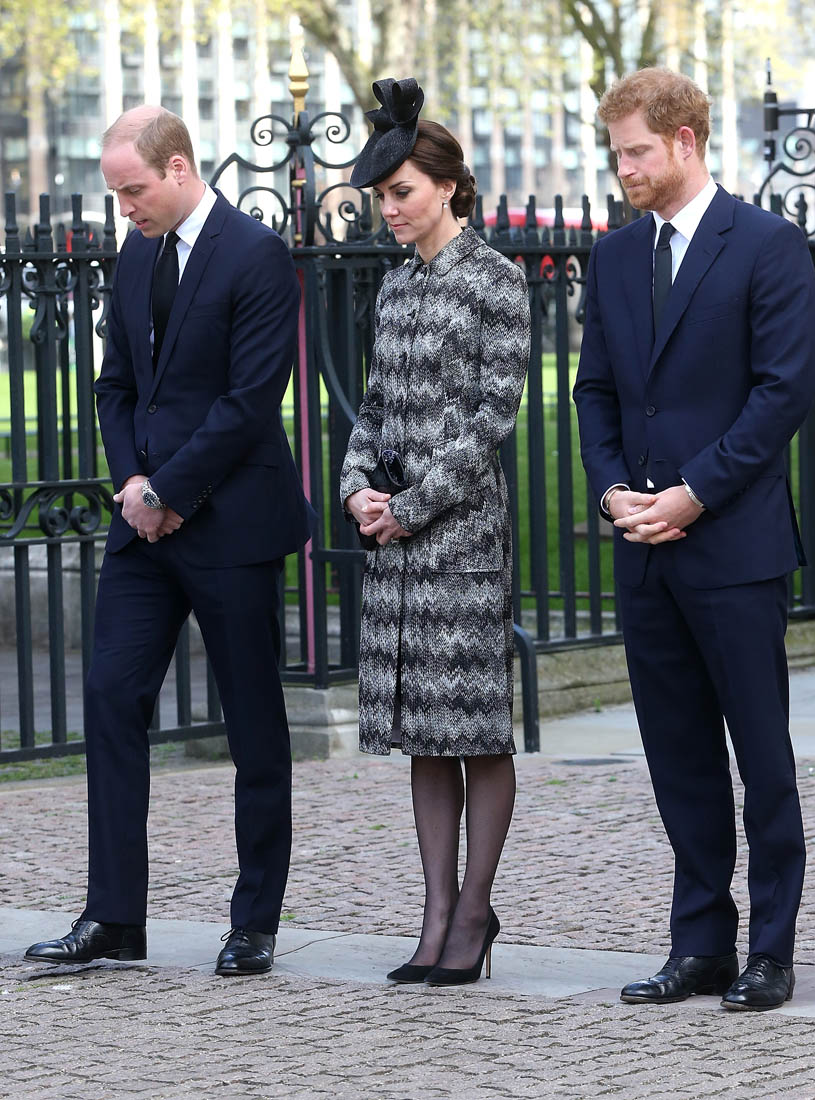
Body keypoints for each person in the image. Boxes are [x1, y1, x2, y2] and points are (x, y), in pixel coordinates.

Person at [25, 106, 314, 976]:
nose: (125, 208)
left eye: (134, 190)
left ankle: (254, 921)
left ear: (179, 168)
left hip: (232, 527)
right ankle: (114, 916)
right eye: (116, 194)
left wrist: (170, 491)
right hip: (143, 531)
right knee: (110, 700)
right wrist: (133, 487)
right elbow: (115, 385)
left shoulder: (256, 255)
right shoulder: (137, 252)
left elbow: (249, 401)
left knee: (253, 724)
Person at [574, 69, 815, 1011]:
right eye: (616, 154)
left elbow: (781, 393)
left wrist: (692, 496)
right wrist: (612, 495)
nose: (624, 169)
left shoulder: (765, 244)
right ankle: (700, 946)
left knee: (762, 760)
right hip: (643, 548)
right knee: (677, 759)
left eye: (636, 151)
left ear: (684, 141)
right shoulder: (611, 256)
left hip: (734, 548)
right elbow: (595, 391)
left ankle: (770, 952)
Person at [340, 78, 530, 986]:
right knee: (423, 733)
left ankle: (474, 912)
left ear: (447, 187)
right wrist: (356, 490)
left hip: (461, 543)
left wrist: (410, 506)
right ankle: (435, 915)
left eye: (401, 192)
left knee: (476, 731)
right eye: (382, 196)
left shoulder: (495, 280)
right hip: (396, 547)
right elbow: (373, 406)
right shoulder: (392, 288)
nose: (389, 210)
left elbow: (493, 416)